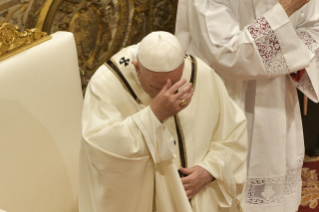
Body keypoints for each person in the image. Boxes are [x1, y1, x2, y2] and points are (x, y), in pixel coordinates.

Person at [175, 0, 319, 212]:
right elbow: (226, 54)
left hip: (277, 106)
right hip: (227, 102)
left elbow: (313, 28)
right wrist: (285, 10)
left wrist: (293, 58)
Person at [79, 31, 248, 212]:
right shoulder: (106, 84)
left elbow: (233, 133)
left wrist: (210, 170)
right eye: (156, 87)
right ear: (137, 69)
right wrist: (154, 115)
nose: (167, 94)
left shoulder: (200, 73)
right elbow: (99, 150)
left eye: (175, 84)